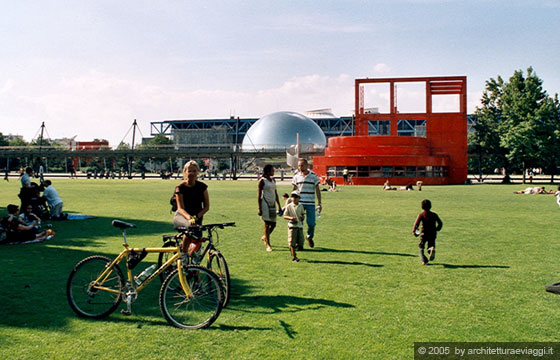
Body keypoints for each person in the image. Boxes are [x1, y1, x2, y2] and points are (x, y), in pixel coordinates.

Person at [291, 159, 322, 249]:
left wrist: (319, 203)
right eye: (299, 166)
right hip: (299, 203)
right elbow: (294, 189)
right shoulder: (296, 177)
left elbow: (317, 190)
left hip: (311, 203)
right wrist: (291, 201)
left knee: (311, 223)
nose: (300, 167)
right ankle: (299, 243)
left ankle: (309, 237)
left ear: (307, 165)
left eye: (302, 165)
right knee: (298, 223)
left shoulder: (314, 176)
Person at [173, 160, 209, 230]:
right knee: (190, 228)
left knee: (198, 237)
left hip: (197, 216)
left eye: (194, 171)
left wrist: (196, 217)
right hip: (181, 216)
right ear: (185, 172)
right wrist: (189, 218)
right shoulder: (180, 188)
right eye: (189, 171)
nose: (192, 173)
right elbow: (180, 209)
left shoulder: (202, 187)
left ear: (197, 172)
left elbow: (206, 207)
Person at [257, 164, 282, 252]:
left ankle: (265, 237)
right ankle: (268, 244)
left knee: (274, 224)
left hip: (273, 204)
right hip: (265, 203)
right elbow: (259, 195)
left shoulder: (273, 180)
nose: (273, 172)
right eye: (272, 170)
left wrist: (279, 205)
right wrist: (259, 208)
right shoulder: (262, 181)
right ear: (268, 171)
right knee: (267, 224)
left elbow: (276, 193)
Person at [412, 199, 443, 265]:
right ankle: (431, 249)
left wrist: (414, 231)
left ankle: (424, 260)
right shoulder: (434, 215)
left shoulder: (421, 215)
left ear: (422, 207)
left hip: (424, 233)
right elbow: (440, 223)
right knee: (431, 244)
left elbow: (416, 224)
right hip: (433, 233)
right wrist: (437, 229)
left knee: (421, 247)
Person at [283, 191, 305, 262]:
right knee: (292, 242)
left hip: (299, 226)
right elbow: (285, 216)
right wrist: (291, 218)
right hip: (292, 226)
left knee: (300, 242)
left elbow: (302, 214)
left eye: (295, 197)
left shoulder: (301, 206)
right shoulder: (289, 206)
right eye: (292, 196)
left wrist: (302, 217)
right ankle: (294, 256)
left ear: (299, 198)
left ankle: (293, 249)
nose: (294, 198)